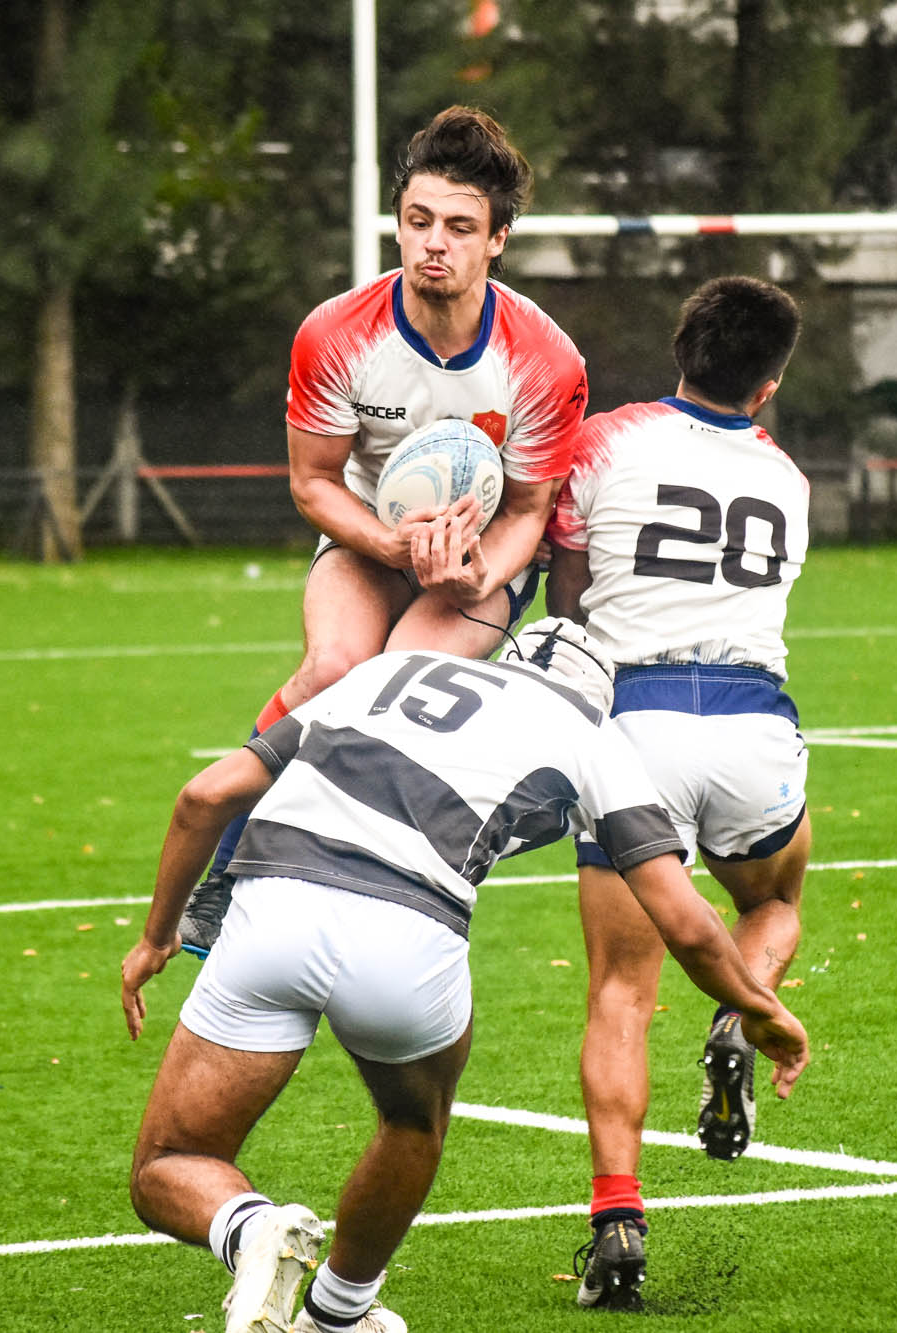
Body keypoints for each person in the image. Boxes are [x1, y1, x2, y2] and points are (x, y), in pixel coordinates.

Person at [120, 619, 807, 1333]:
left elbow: (203, 797)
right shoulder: (587, 726)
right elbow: (689, 922)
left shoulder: (386, 670)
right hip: (410, 939)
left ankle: (253, 1230)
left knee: (171, 1161)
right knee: (413, 1121)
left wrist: (155, 936)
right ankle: (339, 1313)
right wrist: (755, 1007)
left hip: (274, 910)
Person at [177, 105, 590, 958]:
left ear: (498, 240)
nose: (433, 242)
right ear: (400, 222)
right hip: (369, 538)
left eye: (460, 227)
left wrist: (479, 576)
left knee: (395, 688)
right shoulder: (337, 334)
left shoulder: (546, 361)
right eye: (418, 221)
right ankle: (229, 868)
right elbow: (314, 484)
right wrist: (396, 547)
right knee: (334, 670)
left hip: (482, 560)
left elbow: (527, 512)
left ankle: (363, 892)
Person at [542, 276, 814, 1311]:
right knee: (775, 902)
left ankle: (617, 1222)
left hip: (634, 724)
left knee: (622, 987)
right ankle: (740, 1018)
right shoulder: (783, 480)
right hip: (750, 722)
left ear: (681, 346)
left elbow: (568, 586)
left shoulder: (607, 440)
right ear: (768, 385)